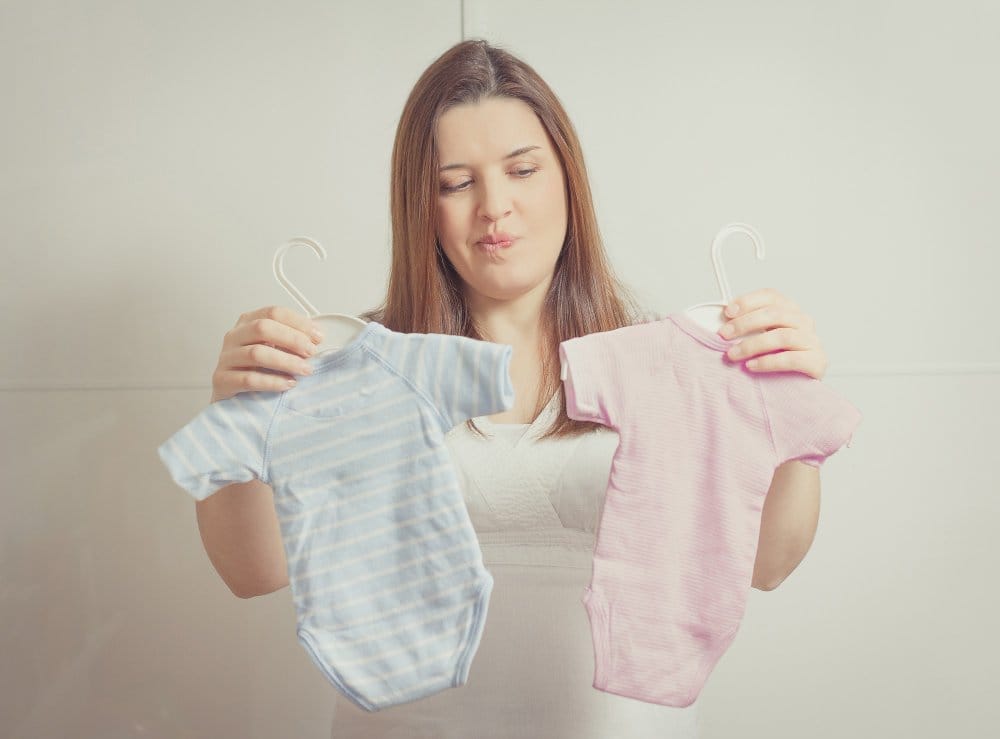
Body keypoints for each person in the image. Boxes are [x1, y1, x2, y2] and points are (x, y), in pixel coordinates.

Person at [199, 40, 830, 738]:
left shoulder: (670, 363)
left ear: (567, 178)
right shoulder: (357, 370)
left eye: (522, 169)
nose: (495, 207)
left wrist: (791, 409)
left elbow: (769, 562)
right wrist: (242, 415)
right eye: (455, 183)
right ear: (422, 207)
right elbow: (254, 569)